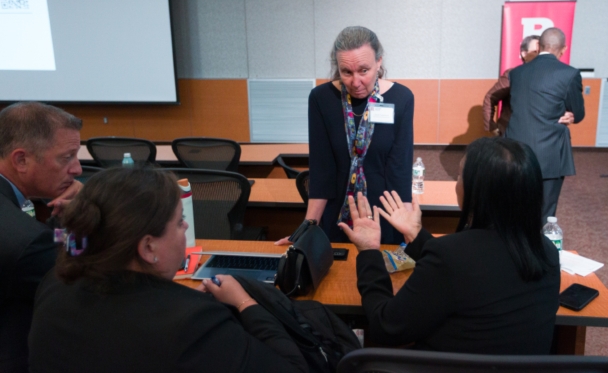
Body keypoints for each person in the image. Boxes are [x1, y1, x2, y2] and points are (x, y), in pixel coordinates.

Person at [28, 168, 307, 373]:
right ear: (148, 248)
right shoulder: (194, 322)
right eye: (179, 221)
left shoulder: (54, 284)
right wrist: (245, 303)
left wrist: (180, 303)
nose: (185, 227)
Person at [340, 137, 560, 354]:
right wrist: (417, 236)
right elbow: (471, 266)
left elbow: (386, 327)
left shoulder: (450, 256)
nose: (457, 183)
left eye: (460, 175)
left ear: (478, 191)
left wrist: (369, 251)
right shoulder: (547, 252)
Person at [280, 26, 414, 245]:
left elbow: (400, 170)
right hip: (338, 212)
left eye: (364, 70)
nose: (355, 81)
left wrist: (410, 232)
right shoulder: (321, 99)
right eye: (347, 72)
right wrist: (307, 227)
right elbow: (322, 171)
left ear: (379, 62)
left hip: (385, 211)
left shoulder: (401, 99)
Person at [0, 102, 83, 373]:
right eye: (66, 157)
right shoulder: (28, 244)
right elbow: (82, 276)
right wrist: (78, 221)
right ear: (20, 160)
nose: (77, 170)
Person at [506, 27, 585, 221]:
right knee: (545, 211)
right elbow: (578, 112)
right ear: (564, 49)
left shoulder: (516, 73)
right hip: (549, 152)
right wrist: (570, 115)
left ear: (539, 46)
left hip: (516, 149)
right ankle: (538, 249)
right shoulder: (569, 74)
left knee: (515, 206)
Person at [482, 35, 540, 136]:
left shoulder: (550, 76)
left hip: (539, 135)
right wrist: (491, 125)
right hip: (511, 134)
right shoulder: (512, 74)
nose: (540, 55)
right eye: (536, 51)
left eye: (542, 51)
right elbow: (490, 98)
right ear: (524, 54)